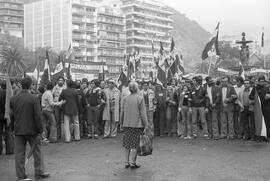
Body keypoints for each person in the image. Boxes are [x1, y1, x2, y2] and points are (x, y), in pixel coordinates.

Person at [10, 77, 49, 181]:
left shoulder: (14, 99)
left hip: (18, 129)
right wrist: (41, 130)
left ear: (21, 85)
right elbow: (38, 116)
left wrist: (13, 128)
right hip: (32, 130)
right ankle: (39, 172)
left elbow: (11, 115)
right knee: (37, 151)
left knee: (19, 154)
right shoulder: (34, 98)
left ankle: (21, 175)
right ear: (31, 85)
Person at [120, 81, 148, 169]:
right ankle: (133, 163)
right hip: (137, 124)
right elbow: (143, 114)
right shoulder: (140, 98)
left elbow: (122, 112)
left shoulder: (125, 98)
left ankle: (126, 162)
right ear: (137, 89)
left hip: (126, 123)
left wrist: (121, 122)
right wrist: (146, 124)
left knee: (127, 144)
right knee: (135, 144)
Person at [0, 80, 14, 155]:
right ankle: (10, 149)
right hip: (8, 114)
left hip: (0, 115)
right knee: (8, 132)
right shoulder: (10, 94)